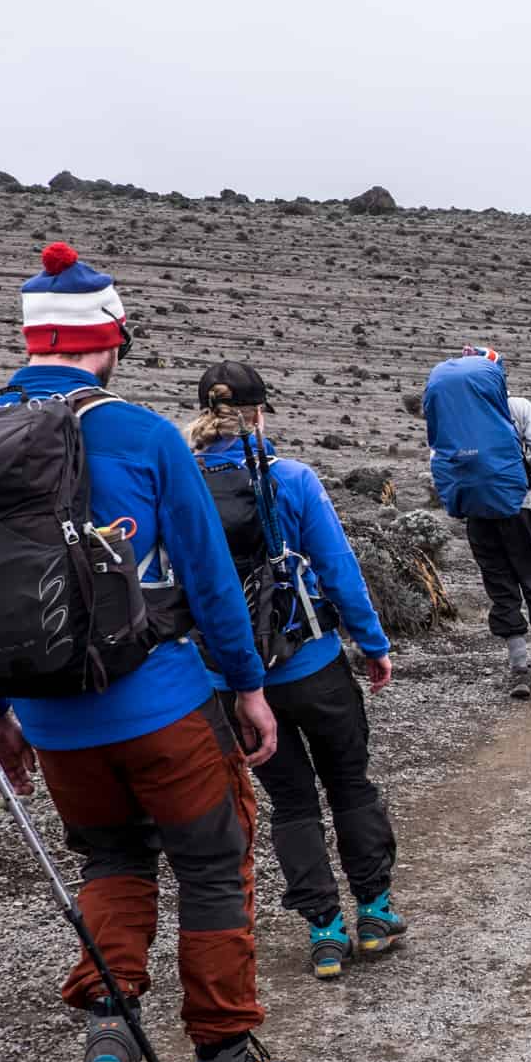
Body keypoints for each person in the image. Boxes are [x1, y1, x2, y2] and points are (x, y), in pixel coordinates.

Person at [0, 245, 295, 1062]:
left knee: (109, 860)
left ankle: (108, 1033)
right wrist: (248, 688)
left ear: (32, 341)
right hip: (160, 703)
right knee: (211, 863)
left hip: (50, 718)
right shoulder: (142, 433)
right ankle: (227, 1060)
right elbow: (206, 578)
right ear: (109, 341)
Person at [186, 360, 405, 981]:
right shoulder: (292, 478)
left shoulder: (179, 485)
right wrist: (373, 643)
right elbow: (338, 570)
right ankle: (374, 911)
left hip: (232, 682)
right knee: (351, 784)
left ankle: (324, 930)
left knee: (291, 802)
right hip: (312, 666)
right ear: (260, 413)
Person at [424, 345, 531, 699]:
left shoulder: (450, 415)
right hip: (519, 507)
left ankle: (519, 669)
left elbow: (437, 461)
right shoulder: (517, 407)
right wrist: (516, 474)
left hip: (477, 510)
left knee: (500, 586)